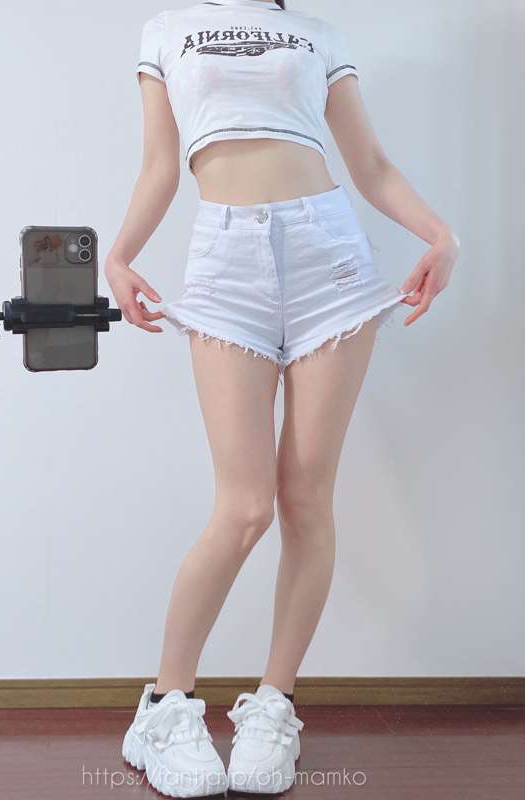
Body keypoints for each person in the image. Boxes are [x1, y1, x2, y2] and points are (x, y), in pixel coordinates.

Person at [106, 0, 460, 795]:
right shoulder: (165, 31)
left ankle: (273, 706)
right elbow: (161, 164)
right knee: (243, 508)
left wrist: (443, 235)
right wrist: (119, 255)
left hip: (328, 255)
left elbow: (370, 165)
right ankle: (164, 708)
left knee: (305, 498)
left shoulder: (320, 34)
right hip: (225, 261)